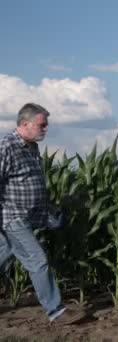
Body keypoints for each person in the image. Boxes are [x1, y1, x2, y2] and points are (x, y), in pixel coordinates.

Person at [0, 103, 86, 325]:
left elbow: (31, 182)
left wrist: (48, 211)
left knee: (3, 256)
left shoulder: (31, 147)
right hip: (12, 217)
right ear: (25, 123)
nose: (45, 129)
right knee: (37, 260)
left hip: (28, 216)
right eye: (42, 125)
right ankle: (55, 311)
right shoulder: (6, 147)